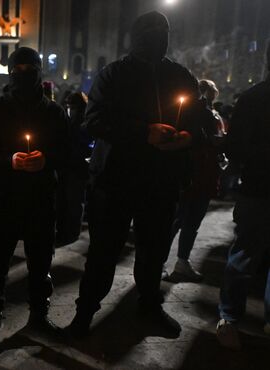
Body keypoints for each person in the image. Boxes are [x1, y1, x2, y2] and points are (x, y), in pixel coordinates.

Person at [68, 11, 205, 339]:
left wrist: (187, 137)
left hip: (160, 183)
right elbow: (95, 119)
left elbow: (197, 120)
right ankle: (85, 312)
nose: (157, 34)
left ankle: (148, 306)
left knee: (154, 251)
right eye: (150, 29)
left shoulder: (180, 76)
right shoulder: (114, 74)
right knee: (103, 252)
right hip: (115, 182)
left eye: (163, 29)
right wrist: (144, 132)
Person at [0, 47, 69, 349]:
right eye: (17, 69)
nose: (23, 73)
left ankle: (39, 314)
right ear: (9, 72)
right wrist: (9, 160)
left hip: (41, 202)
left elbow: (68, 152)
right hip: (5, 200)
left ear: (39, 71)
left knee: (40, 262)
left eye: (30, 68)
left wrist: (47, 160)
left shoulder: (54, 113)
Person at [216, 46, 270, 350]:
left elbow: (235, 149)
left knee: (243, 256)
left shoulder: (251, 98)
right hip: (258, 191)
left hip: (256, 189)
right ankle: (239, 317)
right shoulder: (253, 99)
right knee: (245, 256)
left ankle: (230, 318)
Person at [162, 79, 227, 282]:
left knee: (191, 221)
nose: (209, 98)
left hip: (206, 173)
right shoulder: (191, 111)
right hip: (191, 173)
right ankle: (160, 262)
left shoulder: (211, 113)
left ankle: (182, 262)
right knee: (178, 220)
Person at [55, 92, 90, 246]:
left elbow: (87, 146)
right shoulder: (69, 122)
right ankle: (65, 230)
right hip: (67, 167)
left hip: (77, 168)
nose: (71, 110)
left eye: (73, 107)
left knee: (74, 202)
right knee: (64, 201)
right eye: (69, 107)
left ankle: (71, 232)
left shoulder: (85, 123)